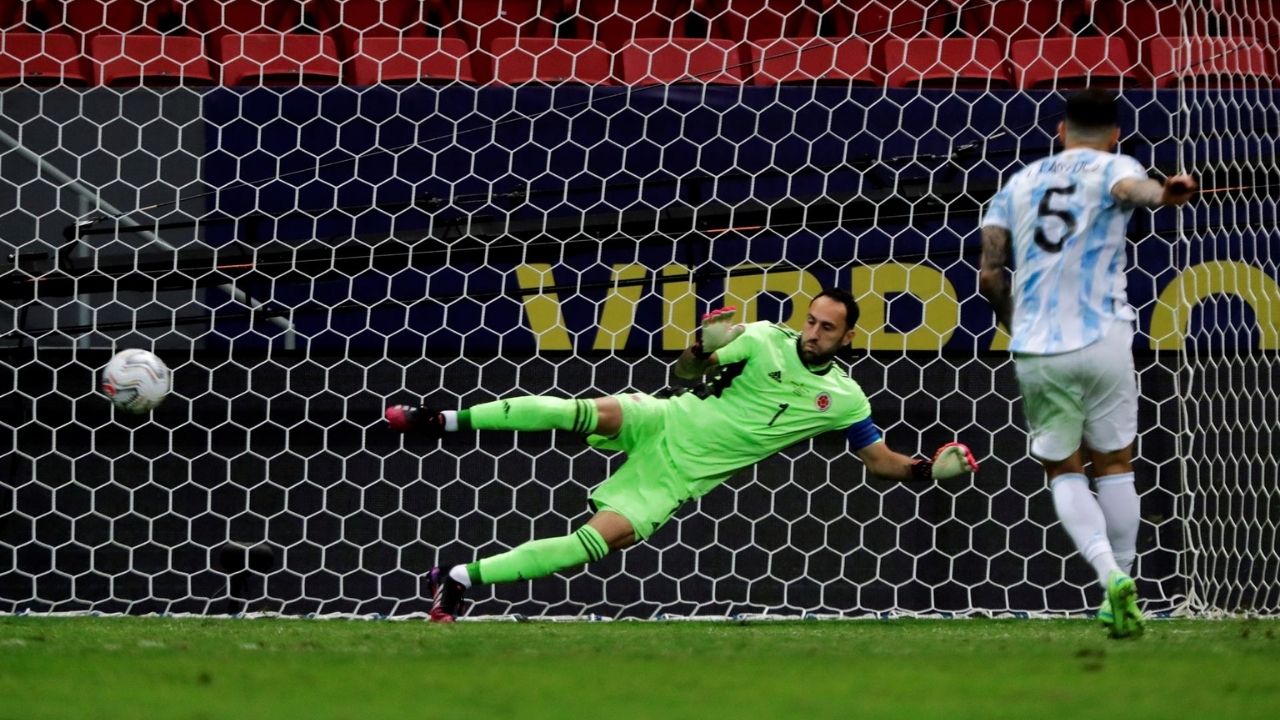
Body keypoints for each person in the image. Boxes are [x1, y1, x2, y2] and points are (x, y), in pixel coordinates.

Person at [386, 288, 979, 622]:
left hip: (677, 474)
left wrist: (929, 469)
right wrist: (700, 347)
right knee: (583, 410)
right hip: (666, 416)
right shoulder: (766, 336)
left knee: (596, 542)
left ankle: (459, 579)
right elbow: (688, 371)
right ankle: (442, 416)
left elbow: (878, 461)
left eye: (828, 328)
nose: (813, 332)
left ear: (848, 338)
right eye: (812, 320)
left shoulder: (846, 399)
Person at [978, 88, 1196, 638]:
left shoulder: (1018, 184)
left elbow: (988, 274)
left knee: (1062, 467)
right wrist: (1164, 192)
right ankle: (1126, 582)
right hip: (1103, 337)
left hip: (1037, 347)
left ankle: (1106, 576)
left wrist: (1017, 325)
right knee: (1116, 462)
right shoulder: (1114, 165)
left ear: (1060, 131)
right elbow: (1134, 188)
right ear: (1116, 134)